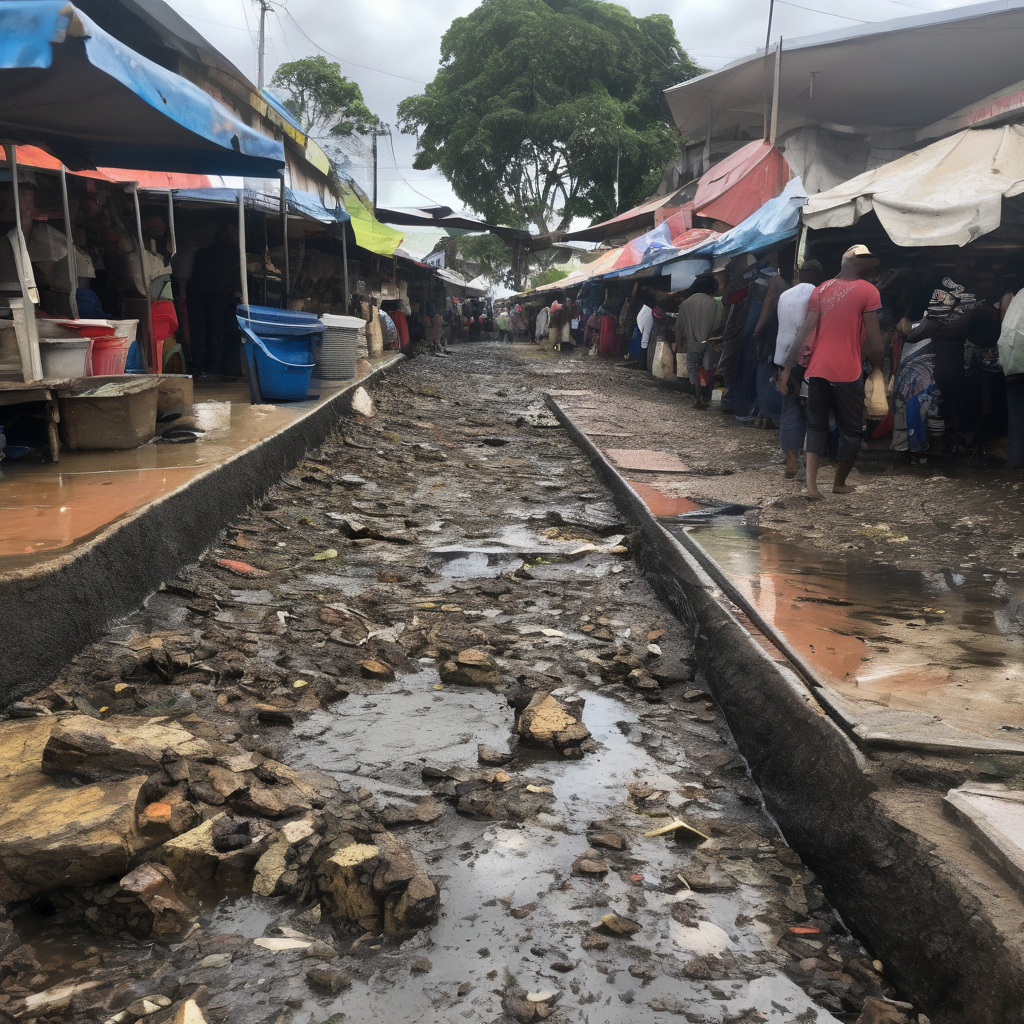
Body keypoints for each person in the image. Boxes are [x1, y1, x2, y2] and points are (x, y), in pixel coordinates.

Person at [777, 244, 884, 499]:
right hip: (847, 371)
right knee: (852, 431)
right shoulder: (869, 291)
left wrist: (788, 367)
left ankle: (812, 488)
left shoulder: (822, 288)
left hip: (817, 370)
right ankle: (839, 483)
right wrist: (878, 371)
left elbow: (805, 331)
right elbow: (875, 341)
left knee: (816, 427)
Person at [774, 260, 824, 477]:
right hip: (805, 357)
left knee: (790, 406)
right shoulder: (818, 294)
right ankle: (808, 456)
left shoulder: (785, 295)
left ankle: (790, 454)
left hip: (782, 356)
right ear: (818, 275)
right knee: (811, 407)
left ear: (800, 274)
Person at [187, 223, 240, 376]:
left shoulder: (204, 251)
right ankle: (213, 368)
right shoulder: (233, 251)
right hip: (218, 293)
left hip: (200, 291)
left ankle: (201, 366)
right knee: (216, 331)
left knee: (200, 330)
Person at [676, 274, 720, 407]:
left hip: (692, 345)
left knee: (693, 372)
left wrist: (679, 346)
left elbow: (679, 327)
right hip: (711, 344)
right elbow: (719, 324)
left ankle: (697, 399)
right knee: (709, 371)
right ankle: (707, 396)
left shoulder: (685, 304)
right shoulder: (714, 303)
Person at [997, 285, 1024, 467]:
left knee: (1016, 419)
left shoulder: (1019, 297)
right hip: (1015, 367)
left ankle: (1015, 461)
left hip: (1013, 366)